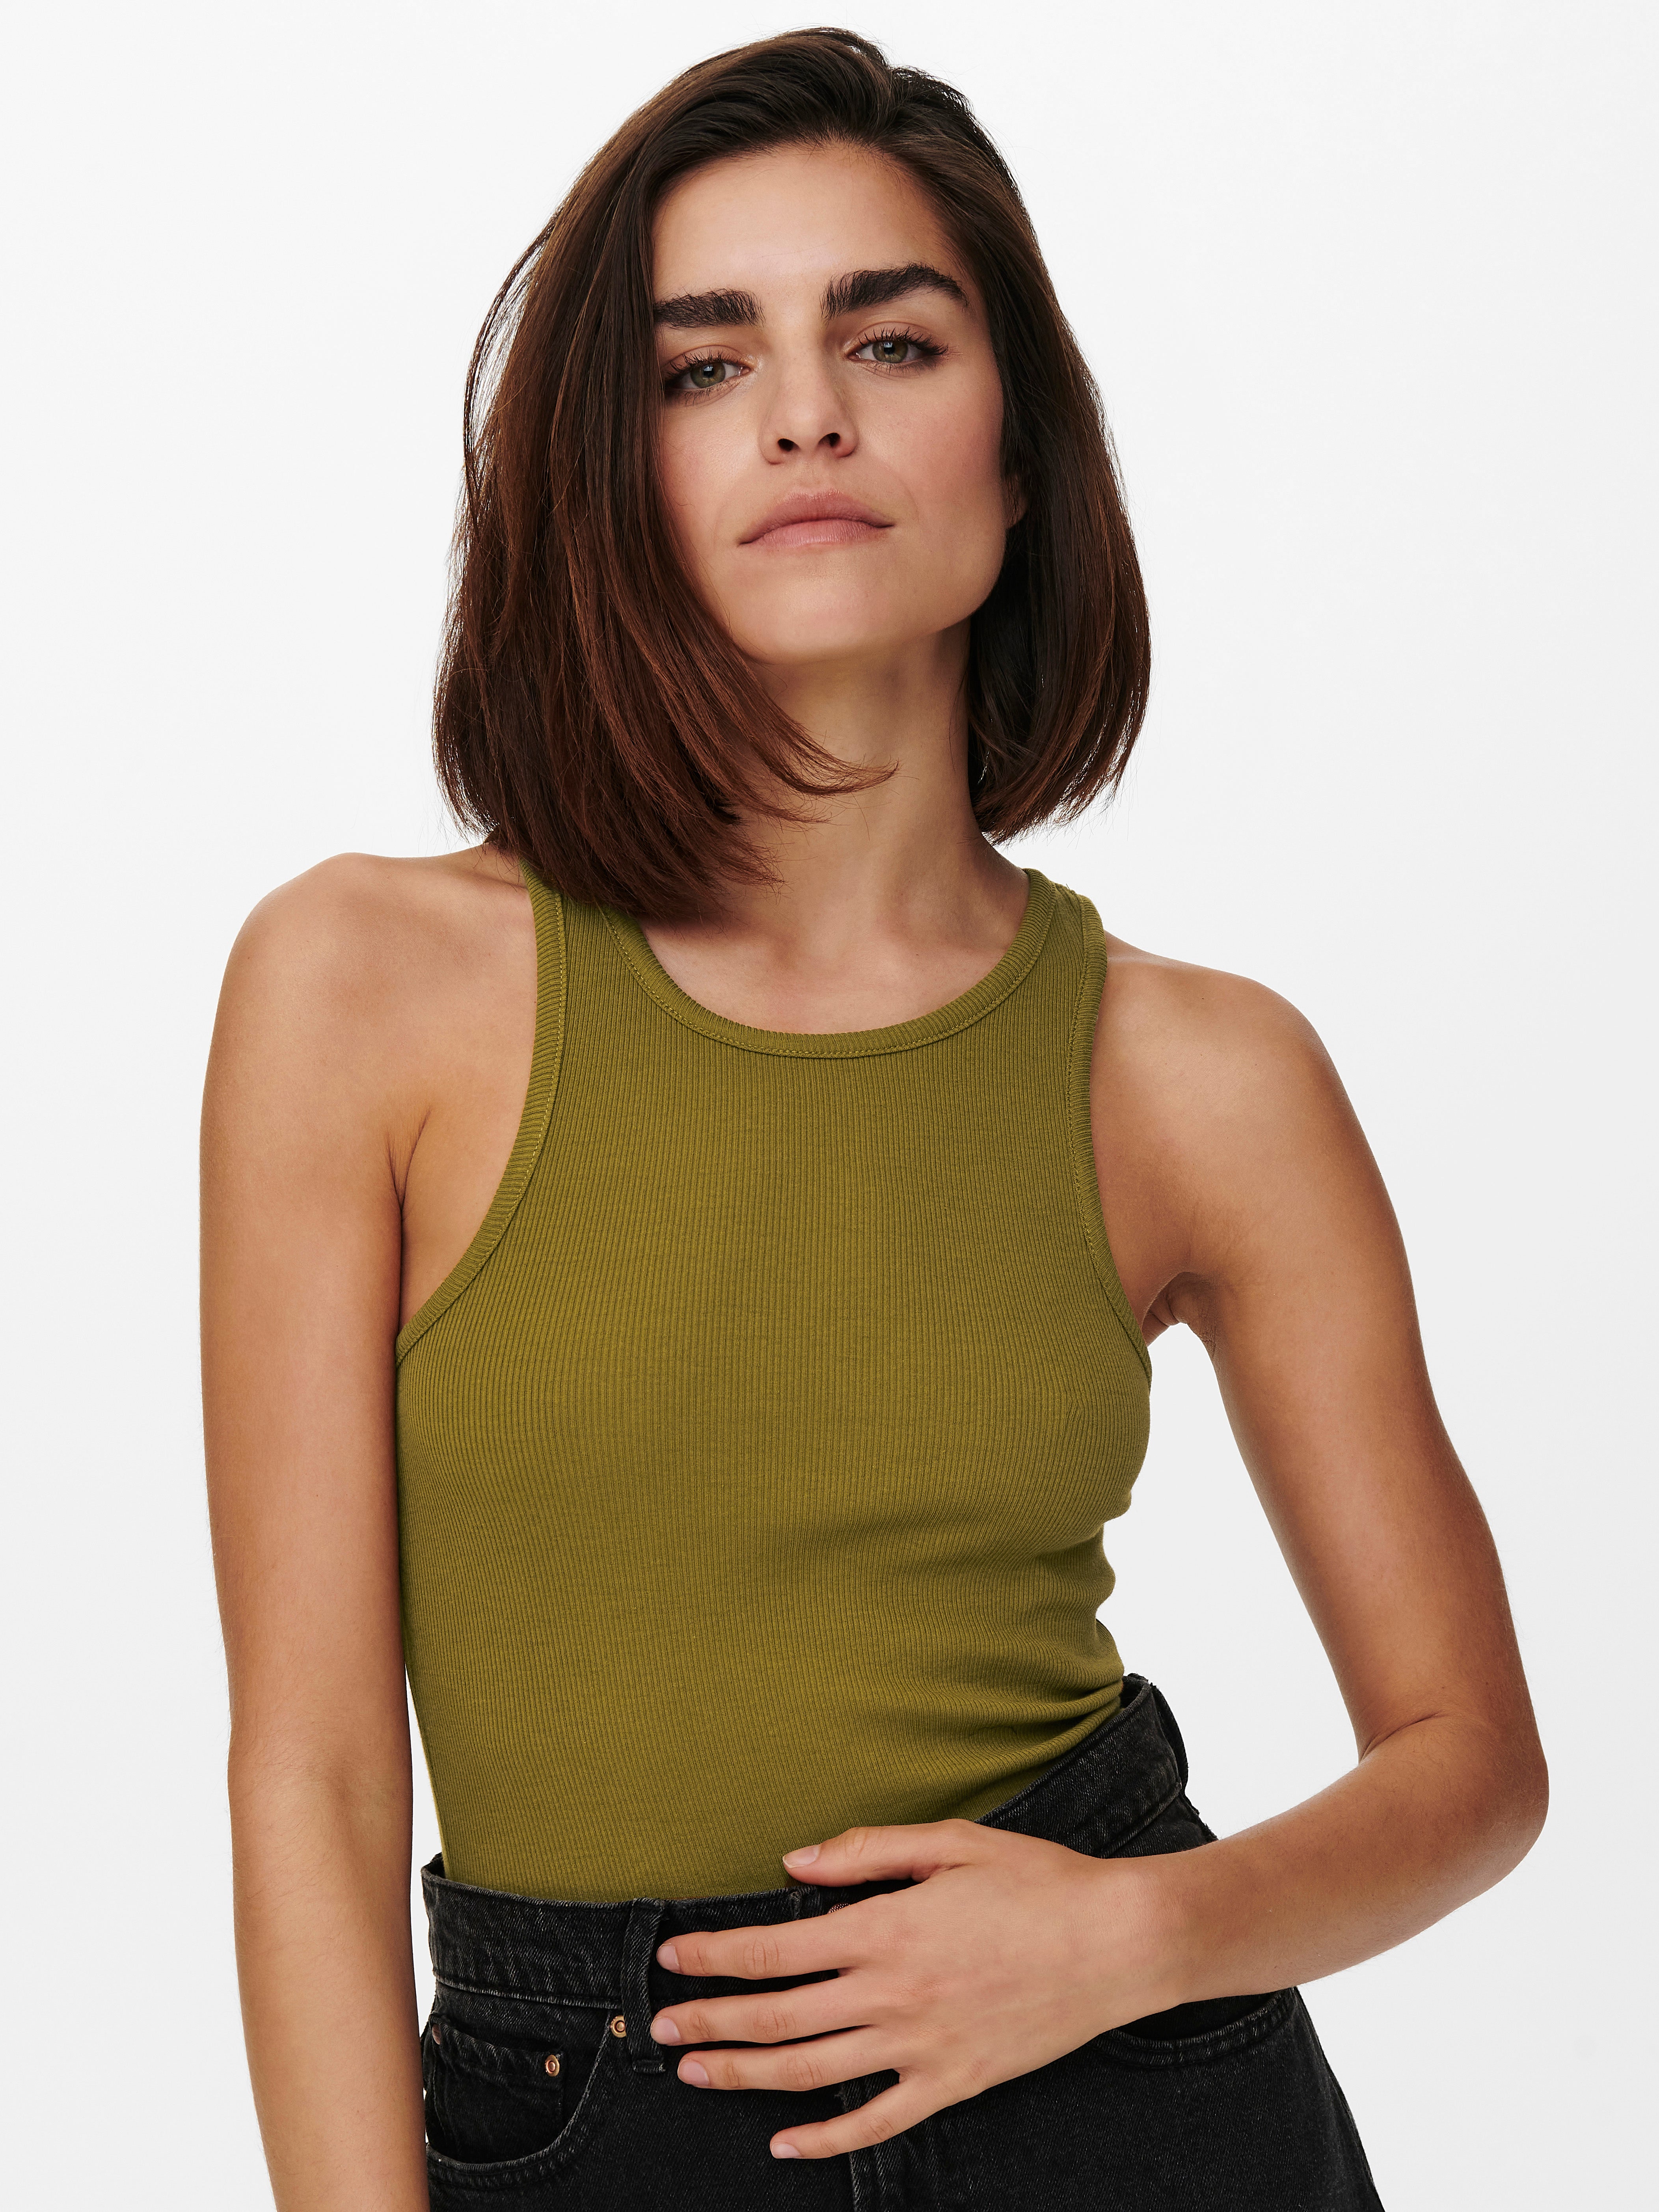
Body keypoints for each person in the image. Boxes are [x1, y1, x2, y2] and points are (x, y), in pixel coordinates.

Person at [201, 28, 1547, 2211]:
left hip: (1131, 2098)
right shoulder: (359, 987)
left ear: (1020, 462)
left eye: (892, 340)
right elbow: (313, 1777)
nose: (807, 412)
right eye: (703, 365)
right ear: (610, 473)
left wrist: (1127, 1938)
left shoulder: (1201, 1072)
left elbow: (1470, 1762)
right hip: (587, 2110)